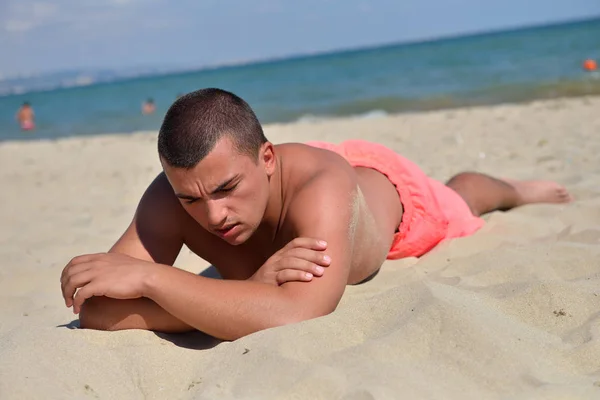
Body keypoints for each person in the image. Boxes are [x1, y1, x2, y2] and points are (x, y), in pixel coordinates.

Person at [60, 88, 572, 340]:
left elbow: (297, 312)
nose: (214, 215)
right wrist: (255, 286)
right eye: (192, 199)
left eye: (227, 189)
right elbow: (97, 310)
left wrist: (154, 279)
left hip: (389, 202)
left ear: (266, 159)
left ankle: (517, 188)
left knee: (464, 196)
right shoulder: (177, 194)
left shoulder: (322, 184)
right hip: (290, 182)